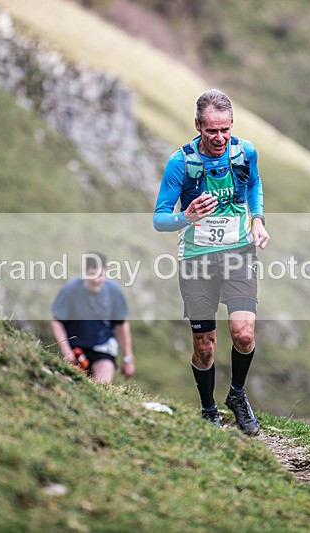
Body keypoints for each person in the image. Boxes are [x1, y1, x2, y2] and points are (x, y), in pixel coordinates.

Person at [153, 89, 269, 435]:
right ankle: (208, 409)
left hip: (238, 253)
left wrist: (257, 219)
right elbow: (160, 219)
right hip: (196, 261)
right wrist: (185, 217)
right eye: (211, 131)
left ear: (232, 125)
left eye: (225, 130)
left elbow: (255, 184)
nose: (219, 138)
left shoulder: (245, 152)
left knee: (243, 333)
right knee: (205, 348)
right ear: (197, 126)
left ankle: (236, 395)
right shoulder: (181, 163)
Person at [50, 252, 135, 384]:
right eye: (91, 274)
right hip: (76, 348)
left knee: (102, 386)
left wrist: (128, 358)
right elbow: (57, 323)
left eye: (100, 275)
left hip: (103, 346)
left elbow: (121, 325)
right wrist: (66, 351)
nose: (96, 280)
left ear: (106, 272)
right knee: (74, 385)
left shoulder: (115, 292)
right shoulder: (70, 290)